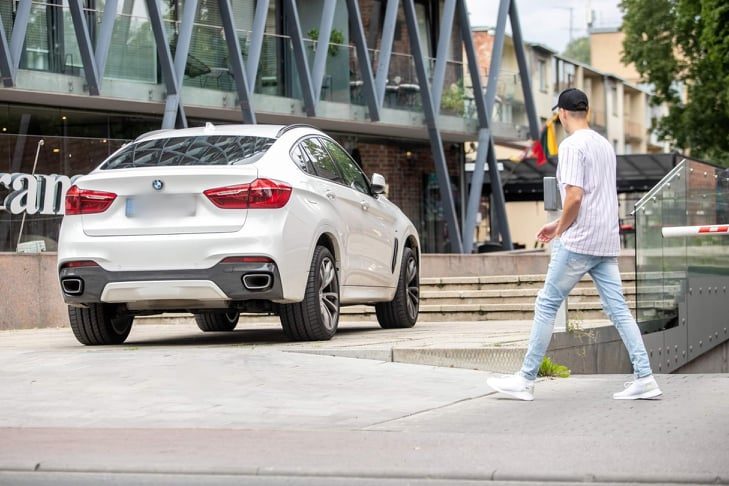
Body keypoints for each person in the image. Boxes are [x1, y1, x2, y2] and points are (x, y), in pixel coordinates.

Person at [486, 88, 662, 401]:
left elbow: (575, 196)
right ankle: (645, 377)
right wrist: (558, 224)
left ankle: (525, 380)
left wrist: (560, 230)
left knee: (546, 303)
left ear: (563, 114)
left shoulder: (571, 146)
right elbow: (593, 196)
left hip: (579, 240)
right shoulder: (604, 145)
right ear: (587, 112)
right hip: (606, 240)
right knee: (619, 310)